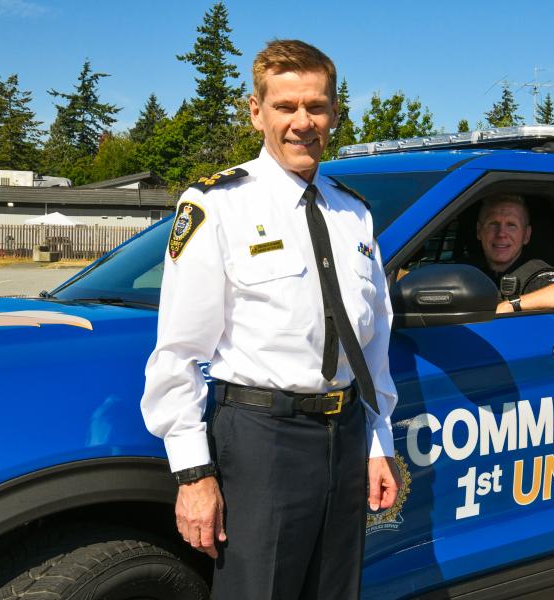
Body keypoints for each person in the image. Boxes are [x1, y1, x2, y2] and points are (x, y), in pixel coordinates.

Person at [140, 39, 398, 600]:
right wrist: (193, 474)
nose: (302, 122)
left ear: (334, 113)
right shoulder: (218, 205)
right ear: (256, 111)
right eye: (285, 107)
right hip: (263, 442)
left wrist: (379, 442)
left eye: (317, 106)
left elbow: (372, 343)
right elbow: (178, 353)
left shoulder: (353, 212)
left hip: (347, 433)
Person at [475, 194, 554, 314]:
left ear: (526, 235)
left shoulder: (535, 277)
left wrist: (512, 305)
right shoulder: (473, 273)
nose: (501, 233)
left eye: (511, 225)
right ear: (479, 231)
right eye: (493, 224)